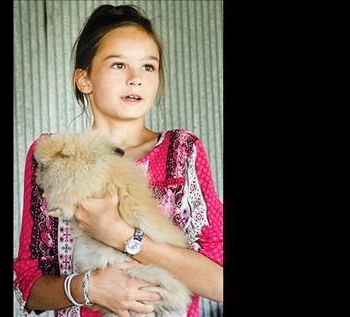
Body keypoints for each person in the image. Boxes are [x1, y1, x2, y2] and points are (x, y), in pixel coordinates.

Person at [13, 4, 223, 317]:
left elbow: (219, 282)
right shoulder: (53, 155)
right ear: (84, 79)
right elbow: (28, 287)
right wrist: (89, 288)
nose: (136, 78)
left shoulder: (182, 151)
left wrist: (122, 236)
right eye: (118, 65)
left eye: (148, 67)